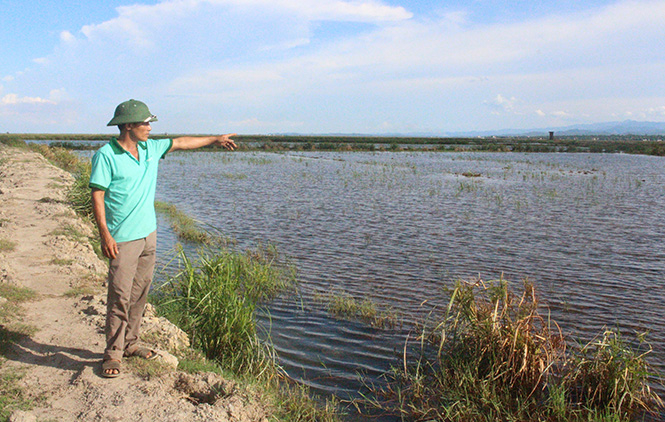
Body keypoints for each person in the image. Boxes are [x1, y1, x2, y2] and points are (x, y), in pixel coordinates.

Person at [89, 99, 236, 378]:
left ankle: (131, 343)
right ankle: (112, 354)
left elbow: (181, 142)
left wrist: (214, 139)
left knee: (140, 292)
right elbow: (97, 194)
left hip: (149, 234)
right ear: (129, 125)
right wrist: (105, 234)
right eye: (145, 123)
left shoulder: (150, 148)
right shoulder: (106, 155)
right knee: (119, 296)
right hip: (122, 239)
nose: (149, 127)